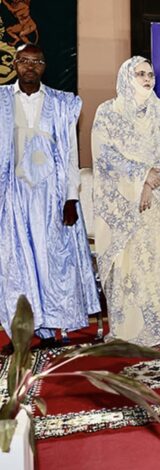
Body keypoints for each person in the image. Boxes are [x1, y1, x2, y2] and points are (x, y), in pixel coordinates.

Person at [0, 44, 99, 347]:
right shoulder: (1, 100)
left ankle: (49, 330)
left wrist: (70, 198)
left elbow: (69, 153)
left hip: (51, 197)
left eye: (37, 62)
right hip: (11, 196)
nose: (30, 67)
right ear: (15, 64)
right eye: (24, 61)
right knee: (15, 266)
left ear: (44, 66)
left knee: (50, 263)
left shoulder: (61, 103)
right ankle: (21, 332)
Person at [92, 57, 160, 347]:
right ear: (126, 77)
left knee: (159, 264)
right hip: (123, 204)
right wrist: (142, 177)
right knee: (129, 266)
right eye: (140, 74)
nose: (147, 79)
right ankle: (128, 331)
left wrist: (152, 182)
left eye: (150, 74)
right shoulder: (108, 112)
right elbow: (105, 154)